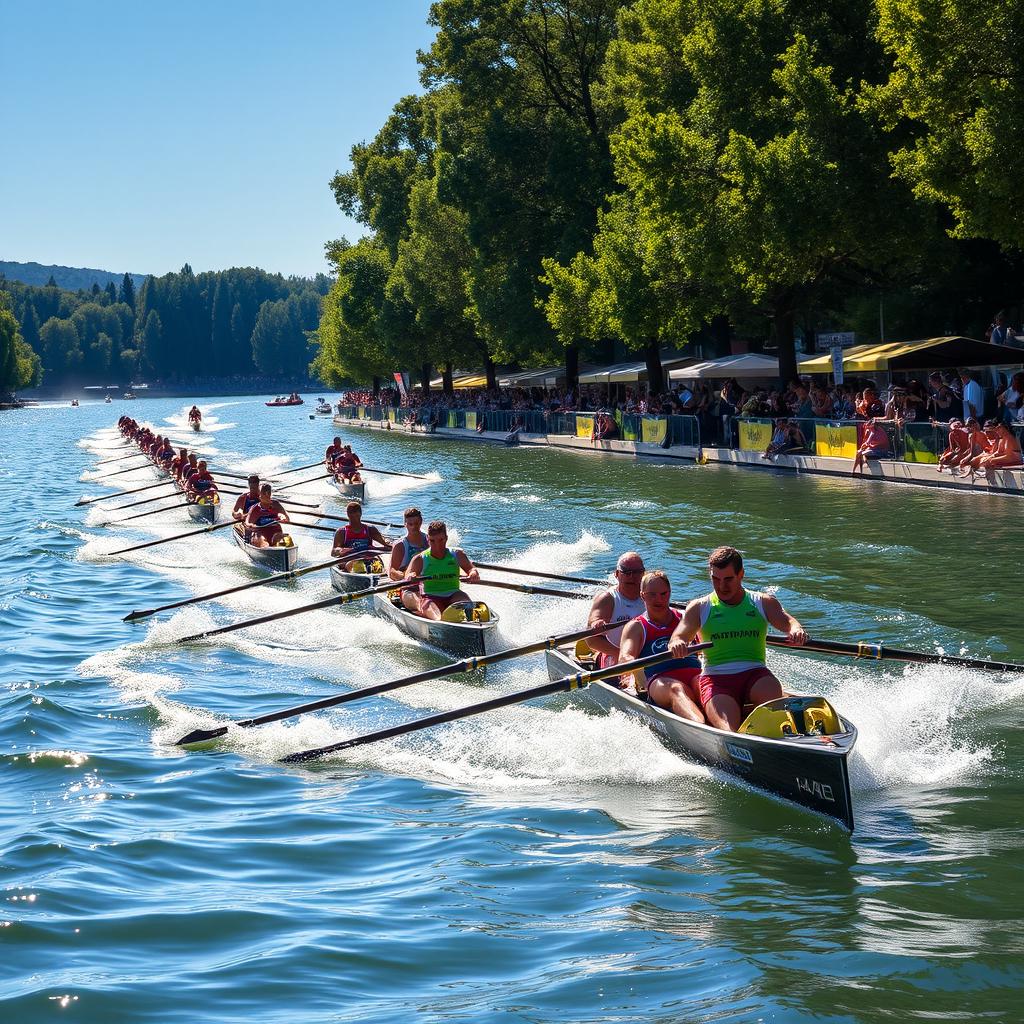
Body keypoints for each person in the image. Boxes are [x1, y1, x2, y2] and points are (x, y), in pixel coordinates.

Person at [668, 546, 808, 732]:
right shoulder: (700, 607)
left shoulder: (762, 602)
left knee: (772, 686)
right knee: (728, 730)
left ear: (741, 574)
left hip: (755, 673)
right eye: (715, 579)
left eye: (728, 579)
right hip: (717, 678)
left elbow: (788, 622)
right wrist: (678, 643)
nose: (721, 587)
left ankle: (775, 732)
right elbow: (678, 637)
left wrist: (796, 630)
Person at [617, 571, 704, 723]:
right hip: (659, 680)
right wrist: (630, 664)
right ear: (642, 595)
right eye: (652, 595)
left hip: (694, 674)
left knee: (703, 682)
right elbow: (625, 656)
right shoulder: (637, 627)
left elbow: (704, 649)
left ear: (669, 593)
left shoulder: (685, 619)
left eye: (663, 594)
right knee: (676, 688)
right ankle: (700, 727)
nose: (659, 599)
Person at [404, 520, 480, 620]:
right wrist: (411, 576)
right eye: (432, 541)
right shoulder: (420, 559)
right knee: (437, 617)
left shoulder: (457, 554)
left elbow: (471, 569)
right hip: (431, 596)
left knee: (468, 605)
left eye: (441, 540)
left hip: (453, 594)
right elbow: (408, 576)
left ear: (446, 538)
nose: (437, 546)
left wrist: (473, 573)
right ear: (427, 539)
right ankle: (439, 622)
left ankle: (471, 622)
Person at [586, 552, 647, 669]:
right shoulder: (607, 599)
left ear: (643, 573)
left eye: (637, 572)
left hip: (646, 652)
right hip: (614, 652)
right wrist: (596, 623)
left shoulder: (651, 595)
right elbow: (591, 639)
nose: (632, 577)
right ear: (617, 574)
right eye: (626, 572)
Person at [388, 507, 429, 611]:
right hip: (410, 586)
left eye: (417, 523)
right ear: (405, 524)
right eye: (410, 524)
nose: (414, 527)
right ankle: (424, 609)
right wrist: (405, 577)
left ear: (421, 522)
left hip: (429, 582)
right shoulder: (400, 545)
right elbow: (392, 572)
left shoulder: (430, 540)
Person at [331, 500, 391, 569]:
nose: (353, 517)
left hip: (368, 557)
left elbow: (386, 546)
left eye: (356, 514)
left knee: (376, 561)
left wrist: (391, 548)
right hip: (350, 560)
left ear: (360, 514)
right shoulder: (341, 532)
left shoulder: (370, 529)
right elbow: (333, 552)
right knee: (345, 564)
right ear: (347, 515)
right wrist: (340, 550)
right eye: (351, 514)